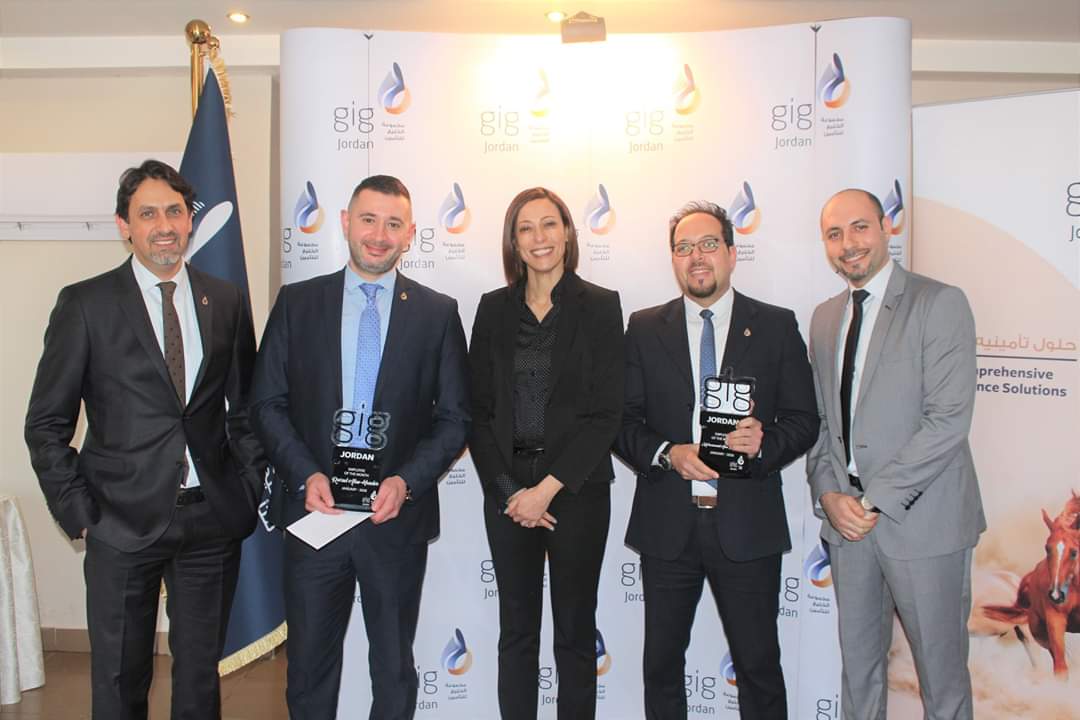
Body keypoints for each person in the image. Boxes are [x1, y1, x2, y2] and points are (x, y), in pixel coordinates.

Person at [24, 159, 264, 720]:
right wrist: (81, 514)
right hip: (118, 520)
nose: (164, 226)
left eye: (174, 212)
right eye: (148, 213)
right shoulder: (85, 305)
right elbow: (46, 424)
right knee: (119, 679)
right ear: (123, 225)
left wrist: (247, 486)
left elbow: (246, 408)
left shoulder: (225, 300)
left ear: (189, 221)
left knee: (200, 680)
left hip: (210, 520)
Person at [250, 174, 470, 720]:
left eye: (393, 224)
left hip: (393, 521)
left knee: (393, 670)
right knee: (307, 670)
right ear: (346, 223)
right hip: (314, 515)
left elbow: (455, 418)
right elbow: (267, 403)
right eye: (368, 220)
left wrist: (406, 481)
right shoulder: (298, 303)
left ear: (410, 234)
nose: (379, 235)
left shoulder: (437, 313)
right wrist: (305, 474)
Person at [615, 201, 818, 720]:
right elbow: (621, 421)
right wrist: (668, 453)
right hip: (668, 525)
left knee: (758, 669)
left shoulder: (775, 326)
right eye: (683, 248)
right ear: (673, 259)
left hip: (747, 524)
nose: (696, 257)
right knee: (661, 668)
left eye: (708, 244)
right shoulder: (644, 327)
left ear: (731, 253)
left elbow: (804, 419)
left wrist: (764, 442)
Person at [807, 188, 984, 719]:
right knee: (858, 676)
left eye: (859, 227)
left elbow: (947, 421)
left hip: (925, 524)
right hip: (848, 527)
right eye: (834, 234)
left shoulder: (939, 303)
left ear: (886, 228)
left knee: (942, 682)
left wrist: (872, 500)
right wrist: (828, 495)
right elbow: (821, 422)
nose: (848, 244)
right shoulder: (824, 318)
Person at [468, 187, 623, 719]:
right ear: (513, 242)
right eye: (526, 228)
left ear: (568, 233)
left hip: (576, 491)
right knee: (516, 631)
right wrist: (510, 492)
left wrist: (547, 490)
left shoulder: (601, 306)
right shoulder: (493, 309)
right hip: (508, 494)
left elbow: (606, 414)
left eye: (550, 224)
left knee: (575, 632)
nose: (540, 237)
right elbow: (477, 412)